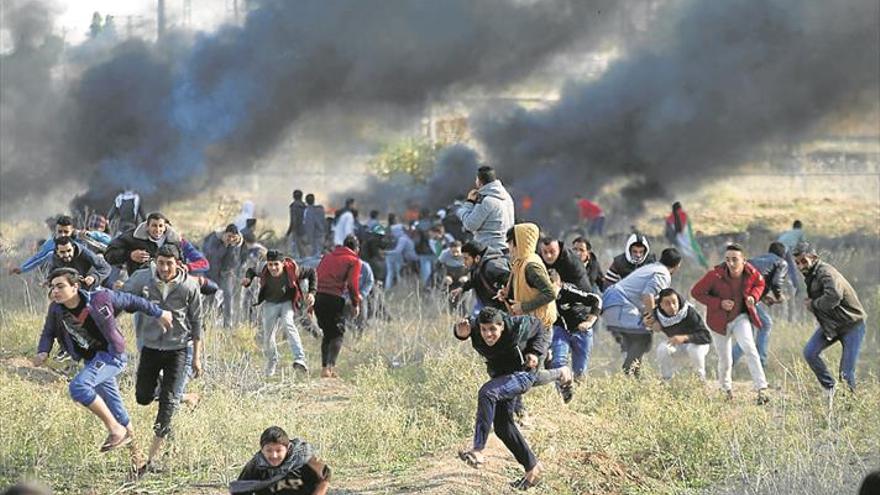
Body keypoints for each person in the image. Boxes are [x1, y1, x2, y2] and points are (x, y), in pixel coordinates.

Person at [34, 268, 172, 453]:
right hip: (92, 361)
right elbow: (48, 332)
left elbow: (133, 300)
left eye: (60, 286)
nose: (55, 291)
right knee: (117, 410)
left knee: (79, 387)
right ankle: (137, 458)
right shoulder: (57, 309)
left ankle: (115, 430)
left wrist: (159, 313)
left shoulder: (100, 298)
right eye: (52, 287)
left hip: (111, 356)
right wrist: (43, 351)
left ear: (75, 287)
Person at [121, 245, 203, 473]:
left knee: (166, 407)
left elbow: (197, 322)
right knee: (143, 397)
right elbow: (125, 300)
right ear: (155, 262)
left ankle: (150, 461)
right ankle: (184, 396)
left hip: (178, 349)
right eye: (161, 263)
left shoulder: (189, 285)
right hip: (150, 347)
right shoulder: (143, 279)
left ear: (178, 263)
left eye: (170, 263)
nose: (165, 268)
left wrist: (196, 357)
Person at [453, 307, 549, 490]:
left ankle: (478, 450)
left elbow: (540, 327)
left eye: (493, 330)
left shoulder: (516, 325)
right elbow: (460, 331)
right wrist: (459, 333)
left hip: (523, 372)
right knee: (503, 427)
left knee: (487, 393)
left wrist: (535, 352)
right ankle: (533, 469)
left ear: (502, 326)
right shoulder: (474, 326)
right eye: (484, 330)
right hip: (502, 378)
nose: (488, 335)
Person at [691, 244, 770, 404]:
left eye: (735, 260)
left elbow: (760, 285)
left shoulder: (751, 273)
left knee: (749, 348)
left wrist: (753, 297)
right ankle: (726, 389)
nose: (731, 264)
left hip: (740, 317)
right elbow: (696, 292)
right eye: (727, 260)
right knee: (725, 359)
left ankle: (762, 389)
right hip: (718, 322)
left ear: (744, 260)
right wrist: (719, 303)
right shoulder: (715, 275)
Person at [793, 242, 866, 398]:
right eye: (797, 263)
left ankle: (850, 406)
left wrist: (814, 304)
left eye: (803, 261)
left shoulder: (826, 272)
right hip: (833, 326)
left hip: (852, 325)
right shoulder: (811, 274)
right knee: (810, 352)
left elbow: (834, 297)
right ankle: (830, 388)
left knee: (846, 373)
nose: (800, 266)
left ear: (814, 257)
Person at [602, 248, 682, 376]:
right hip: (618, 302)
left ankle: (631, 374)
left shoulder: (654, 267)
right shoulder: (663, 274)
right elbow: (648, 295)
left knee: (640, 338)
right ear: (677, 265)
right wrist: (652, 320)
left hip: (615, 301)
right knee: (643, 336)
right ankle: (629, 373)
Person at [242, 249, 316, 377]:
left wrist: (312, 292)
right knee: (268, 335)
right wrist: (248, 279)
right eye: (270, 264)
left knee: (288, 323)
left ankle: (300, 359)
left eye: (276, 264)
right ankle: (272, 361)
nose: (273, 268)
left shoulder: (293, 269)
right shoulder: (263, 269)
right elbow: (251, 271)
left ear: (283, 263)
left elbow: (312, 272)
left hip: (287, 302)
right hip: (270, 303)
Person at [732, 242, 789, 369]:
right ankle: (761, 363)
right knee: (766, 324)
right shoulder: (781, 262)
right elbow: (776, 283)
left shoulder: (757, 260)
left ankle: (728, 362)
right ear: (783, 255)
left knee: (748, 335)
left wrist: (763, 297)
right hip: (745, 298)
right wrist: (779, 297)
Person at [230, 426, 331, 495]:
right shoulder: (257, 465)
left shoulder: (303, 459)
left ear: (287, 448)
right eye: (269, 450)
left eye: (279, 450)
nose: (274, 455)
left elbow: (324, 478)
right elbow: (240, 489)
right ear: (262, 450)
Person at [314, 235, 361, 378]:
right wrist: (355, 303)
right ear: (356, 249)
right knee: (338, 334)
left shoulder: (327, 256)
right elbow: (353, 285)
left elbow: (316, 275)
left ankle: (324, 368)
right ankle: (330, 367)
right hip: (334, 298)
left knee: (327, 333)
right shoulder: (354, 260)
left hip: (319, 297)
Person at [500, 224, 557, 332]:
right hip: (528, 323)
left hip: (539, 326)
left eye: (510, 243)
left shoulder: (531, 266)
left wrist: (524, 307)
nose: (509, 247)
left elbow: (550, 293)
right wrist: (506, 294)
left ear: (519, 243)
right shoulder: (520, 262)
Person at [645, 288, 712, 380]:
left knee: (693, 349)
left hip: (697, 344)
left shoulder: (688, 312)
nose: (672, 307)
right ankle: (667, 379)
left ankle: (700, 379)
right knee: (662, 348)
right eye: (667, 304)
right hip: (678, 347)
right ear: (661, 305)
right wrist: (647, 323)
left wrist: (684, 338)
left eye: (674, 302)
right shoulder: (658, 314)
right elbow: (647, 321)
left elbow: (706, 337)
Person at [547, 269, 602, 382]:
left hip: (580, 330)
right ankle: (563, 393)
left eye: (551, 288)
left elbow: (596, 300)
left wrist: (589, 322)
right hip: (560, 330)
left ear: (558, 284)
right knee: (558, 362)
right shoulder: (541, 296)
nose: (549, 293)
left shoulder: (569, 291)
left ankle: (580, 392)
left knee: (580, 370)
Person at [456, 166, 516, 253]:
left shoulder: (486, 200)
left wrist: (468, 204)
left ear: (479, 181)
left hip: (489, 251)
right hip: (506, 248)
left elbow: (470, 225)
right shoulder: (507, 197)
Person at [105, 212, 184, 275]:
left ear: (165, 227)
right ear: (147, 226)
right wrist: (130, 255)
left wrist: (181, 264)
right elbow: (109, 254)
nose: (157, 230)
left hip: (167, 279)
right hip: (139, 279)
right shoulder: (131, 237)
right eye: (154, 226)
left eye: (160, 226)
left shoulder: (173, 241)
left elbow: (181, 259)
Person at [203, 224, 247, 329]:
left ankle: (228, 324)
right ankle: (207, 321)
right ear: (224, 234)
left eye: (233, 237)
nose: (230, 239)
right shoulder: (215, 238)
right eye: (229, 236)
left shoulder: (237, 243)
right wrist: (225, 245)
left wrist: (233, 246)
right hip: (211, 271)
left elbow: (234, 261)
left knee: (228, 296)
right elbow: (214, 257)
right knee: (210, 297)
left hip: (226, 273)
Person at [451, 240, 510, 315]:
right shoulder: (477, 265)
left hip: (506, 310)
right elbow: (475, 279)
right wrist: (462, 288)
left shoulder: (492, 266)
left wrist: (503, 290)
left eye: (466, 258)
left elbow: (510, 281)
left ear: (477, 258)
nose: (464, 262)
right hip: (494, 309)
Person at [47, 236, 111, 290]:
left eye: (69, 251)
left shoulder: (85, 253)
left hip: (90, 288)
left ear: (73, 248)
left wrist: (93, 277)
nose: (66, 255)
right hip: (71, 290)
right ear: (57, 252)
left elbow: (106, 267)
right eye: (62, 252)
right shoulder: (54, 258)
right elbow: (52, 273)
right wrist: (49, 281)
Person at [664, 202, 708, 268]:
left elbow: (668, 233)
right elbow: (688, 230)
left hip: (679, 241)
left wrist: (671, 242)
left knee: (685, 254)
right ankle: (702, 266)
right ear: (680, 208)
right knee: (695, 252)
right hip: (688, 240)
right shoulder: (684, 215)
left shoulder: (669, 219)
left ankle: (696, 267)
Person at [384, 224, 417, 290]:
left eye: (393, 232)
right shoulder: (404, 237)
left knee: (400, 273)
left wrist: (386, 252)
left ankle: (401, 289)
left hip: (411, 260)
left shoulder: (402, 239)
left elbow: (398, 251)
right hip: (411, 259)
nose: (393, 234)